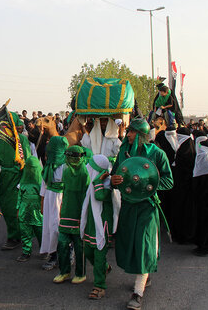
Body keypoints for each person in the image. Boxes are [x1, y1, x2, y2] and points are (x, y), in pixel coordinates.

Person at [111, 118, 173, 310]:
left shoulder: (157, 154)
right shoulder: (123, 151)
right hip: (128, 206)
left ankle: (137, 294)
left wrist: (150, 188)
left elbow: (169, 181)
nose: (127, 134)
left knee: (144, 245)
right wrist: (114, 180)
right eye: (128, 131)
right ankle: (145, 274)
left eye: (131, 132)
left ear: (140, 134)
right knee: (130, 243)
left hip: (147, 208)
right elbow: (114, 175)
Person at [0, 112, 31, 250]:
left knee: (16, 209)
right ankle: (16, 233)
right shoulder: (1, 142)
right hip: (4, 181)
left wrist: (25, 181)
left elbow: (27, 162)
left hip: (18, 178)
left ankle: (15, 237)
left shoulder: (22, 141)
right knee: (6, 209)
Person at [80, 154, 118, 300]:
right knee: (88, 251)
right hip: (91, 224)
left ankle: (99, 286)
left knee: (99, 255)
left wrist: (98, 181)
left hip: (102, 225)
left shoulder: (107, 183)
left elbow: (100, 196)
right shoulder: (92, 183)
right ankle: (105, 267)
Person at [53, 145, 91, 285]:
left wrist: (84, 216)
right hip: (66, 212)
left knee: (79, 245)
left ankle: (81, 273)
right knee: (62, 243)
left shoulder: (84, 173)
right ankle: (64, 271)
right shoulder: (66, 171)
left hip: (79, 213)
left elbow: (85, 196)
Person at [40, 136, 69, 270]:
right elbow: (44, 185)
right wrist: (42, 201)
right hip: (49, 200)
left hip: (60, 200)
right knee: (49, 228)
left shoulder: (67, 166)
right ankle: (52, 254)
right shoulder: (49, 166)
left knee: (57, 228)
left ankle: (64, 254)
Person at [15, 156, 43, 262]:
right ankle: (26, 252)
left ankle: (44, 250)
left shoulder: (41, 183)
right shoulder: (23, 183)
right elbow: (19, 198)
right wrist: (18, 210)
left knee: (40, 232)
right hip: (24, 211)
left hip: (38, 212)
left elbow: (43, 198)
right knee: (25, 232)